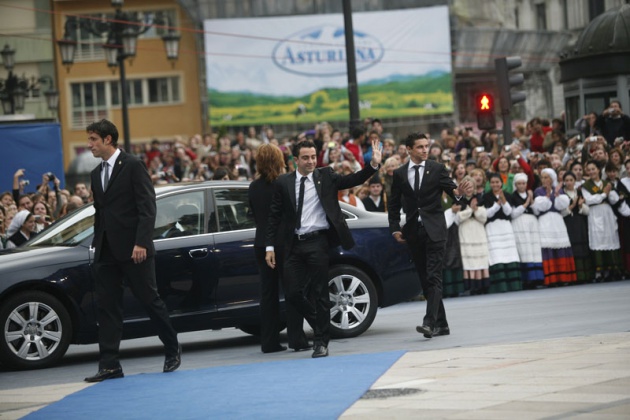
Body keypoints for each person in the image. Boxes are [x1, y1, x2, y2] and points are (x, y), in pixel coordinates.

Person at [265, 138, 382, 358]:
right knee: (292, 292)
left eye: (313, 157)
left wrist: (373, 165)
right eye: (306, 158)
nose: (310, 162)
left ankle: (321, 341)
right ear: (295, 159)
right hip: (293, 245)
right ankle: (319, 319)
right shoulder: (284, 183)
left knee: (320, 293)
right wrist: (269, 247)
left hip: (317, 242)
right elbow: (274, 217)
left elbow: (352, 179)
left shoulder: (326, 176)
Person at [84, 119, 180, 383]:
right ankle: (110, 365)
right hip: (106, 251)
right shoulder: (95, 174)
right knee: (107, 308)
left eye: (93, 139)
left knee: (150, 300)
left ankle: (172, 349)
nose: (89, 144)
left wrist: (141, 242)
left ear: (107, 140)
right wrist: (97, 243)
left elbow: (147, 208)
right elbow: (101, 213)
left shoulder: (134, 165)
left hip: (134, 249)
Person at [388, 132, 472, 339]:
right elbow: (393, 204)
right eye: (420, 147)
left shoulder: (437, 169)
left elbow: (455, 194)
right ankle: (442, 324)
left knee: (434, 277)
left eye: (426, 146)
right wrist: (395, 228)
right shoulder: (399, 174)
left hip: (435, 231)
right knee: (425, 280)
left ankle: (429, 322)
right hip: (413, 233)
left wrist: (460, 192)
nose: (425, 150)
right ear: (409, 149)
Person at [248, 144, 309, 354]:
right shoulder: (285, 183)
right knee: (292, 291)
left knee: (268, 294)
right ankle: (297, 339)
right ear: (279, 160)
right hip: (285, 243)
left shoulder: (253, 187)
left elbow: (256, 217)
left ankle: (269, 342)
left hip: (262, 243)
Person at [532, 169, 577, 286]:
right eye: (542, 177)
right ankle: (551, 278)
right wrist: (547, 196)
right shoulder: (538, 191)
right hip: (545, 221)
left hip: (557, 221)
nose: (544, 180)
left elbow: (562, 205)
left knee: (560, 246)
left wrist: (557, 195)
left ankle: (563, 277)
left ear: (552, 179)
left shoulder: (559, 190)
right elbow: (541, 207)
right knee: (548, 247)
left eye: (547, 177)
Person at [483, 174, 522, 293]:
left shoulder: (508, 195)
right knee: (497, 255)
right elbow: (487, 214)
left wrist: (504, 201)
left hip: (506, 227)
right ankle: (499, 287)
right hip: (492, 228)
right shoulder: (486, 196)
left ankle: (514, 285)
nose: (495, 184)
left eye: (497, 182)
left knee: (509, 254)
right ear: (490, 184)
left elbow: (509, 212)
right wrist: (497, 204)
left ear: (501, 183)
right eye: (493, 182)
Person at [509, 173, 544, 288]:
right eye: (519, 184)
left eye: (523, 183)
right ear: (515, 185)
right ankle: (527, 279)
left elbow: (537, 211)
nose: (521, 186)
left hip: (532, 223)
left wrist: (531, 200)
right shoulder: (513, 196)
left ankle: (537, 278)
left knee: (534, 249)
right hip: (519, 223)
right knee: (524, 250)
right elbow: (513, 214)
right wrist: (525, 204)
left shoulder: (531, 194)